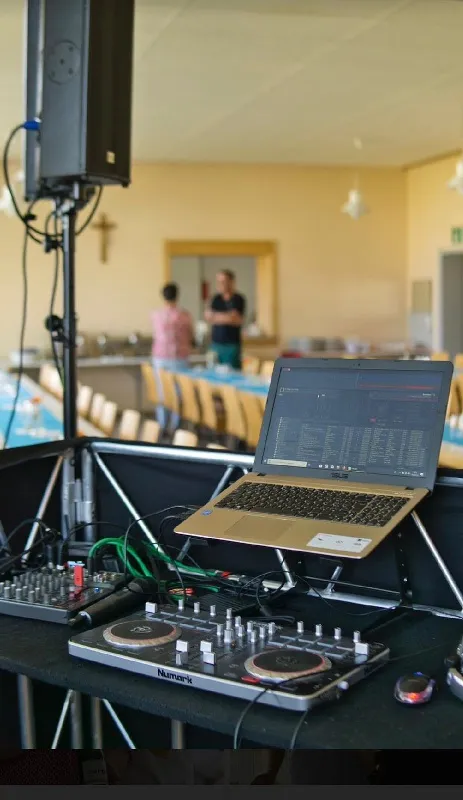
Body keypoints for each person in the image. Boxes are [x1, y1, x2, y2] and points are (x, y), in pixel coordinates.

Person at [151, 282, 193, 428]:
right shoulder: (184, 316)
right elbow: (190, 335)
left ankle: (162, 425)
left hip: (160, 357)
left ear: (163, 296)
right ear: (177, 295)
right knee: (178, 392)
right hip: (179, 357)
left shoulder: (156, 315)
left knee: (161, 391)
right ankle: (175, 426)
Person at [205, 270, 246, 370]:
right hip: (216, 344)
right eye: (218, 281)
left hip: (232, 345)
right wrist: (228, 317)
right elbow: (208, 317)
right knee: (213, 373)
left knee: (232, 373)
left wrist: (216, 316)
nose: (220, 284)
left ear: (231, 282)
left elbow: (237, 320)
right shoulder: (215, 299)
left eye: (223, 281)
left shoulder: (238, 299)